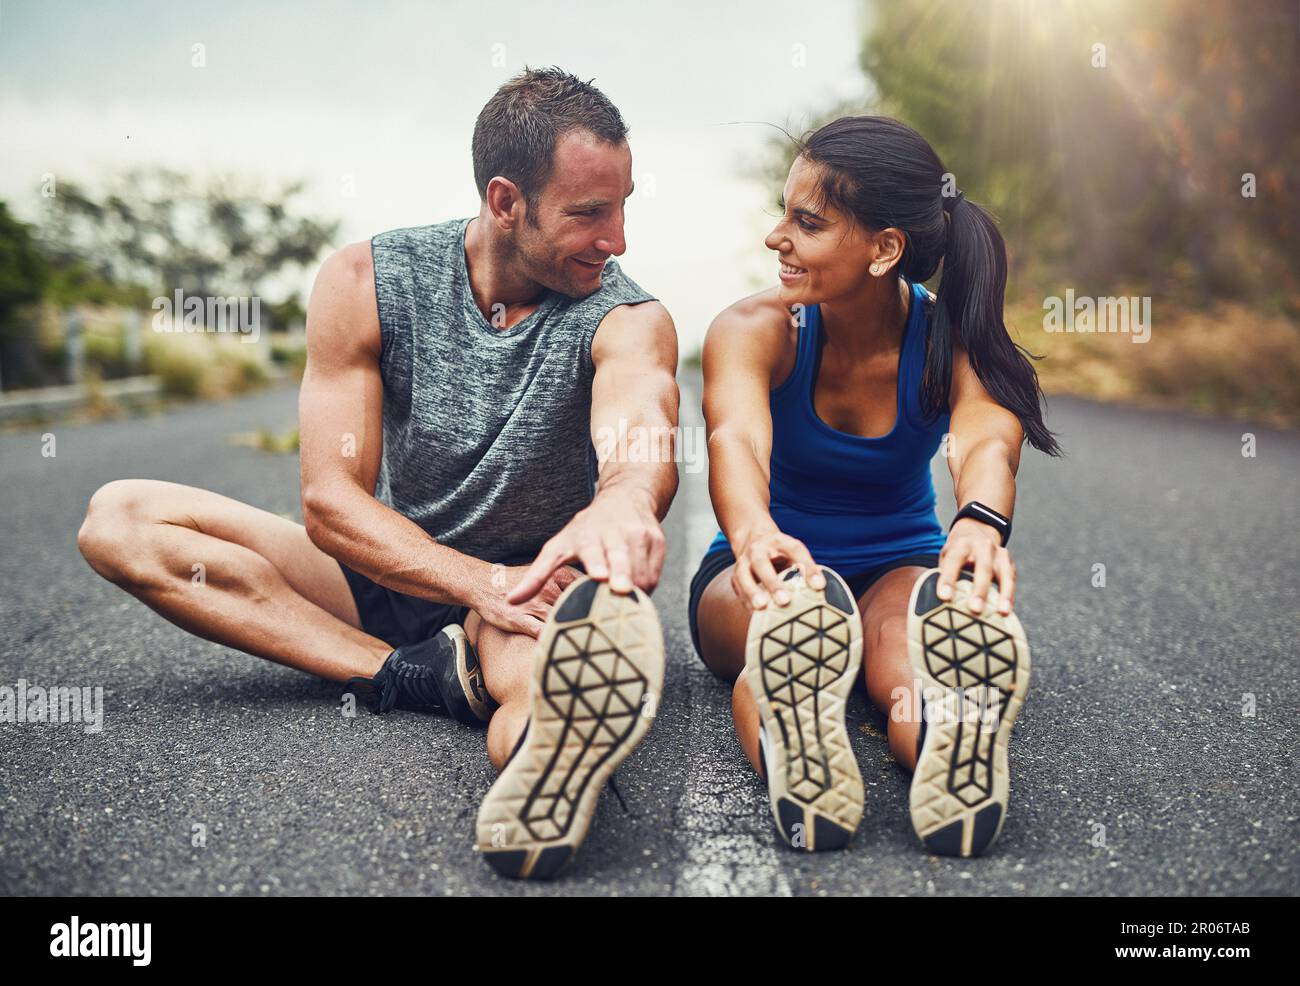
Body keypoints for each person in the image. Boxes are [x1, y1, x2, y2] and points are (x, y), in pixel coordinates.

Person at [77, 66, 680, 880]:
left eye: (623, 206)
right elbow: (329, 503)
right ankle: (406, 676)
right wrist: (469, 580)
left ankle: (544, 779)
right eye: (589, 213)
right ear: (506, 203)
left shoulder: (628, 316)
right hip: (392, 568)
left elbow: (640, 420)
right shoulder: (368, 281)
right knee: (119, 519)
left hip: (531, 597)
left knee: (551, 709)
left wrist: (627, 500)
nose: (617, 240)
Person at [689, 115, 1060, 857]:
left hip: (900, 564)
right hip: (759, 567)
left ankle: (945, 740)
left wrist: (980, 522)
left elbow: (987, 433)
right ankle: (794, 730)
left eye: (807, 221)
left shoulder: (947, 336)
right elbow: (735, 437)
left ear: (885, 248)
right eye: (783, 214)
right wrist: (756, 532)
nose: (776, 238)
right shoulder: (755, 329)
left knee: (901, 646)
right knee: (785, 620)